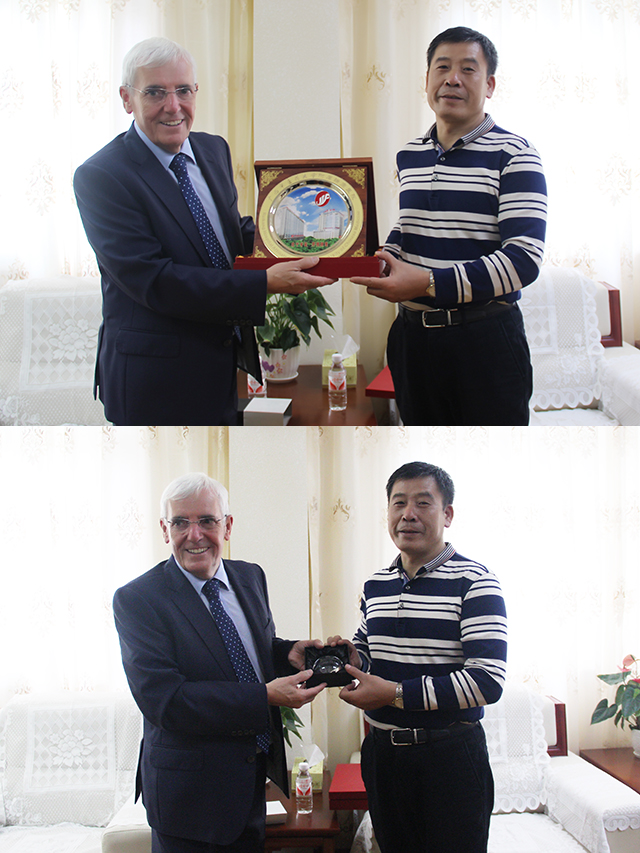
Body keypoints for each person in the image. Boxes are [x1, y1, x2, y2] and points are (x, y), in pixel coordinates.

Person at [74, 37, 334, 426]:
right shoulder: (102, 176)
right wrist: (265, 283)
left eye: (183, 90)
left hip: (220, 367)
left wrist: (313, 241)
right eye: (155, 92)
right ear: (127, 99)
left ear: (196, 92)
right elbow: (155, 281)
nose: (173, 105)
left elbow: (229, 233)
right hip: (154, 382)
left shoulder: (213, 149)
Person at [113, 472, 326, 853]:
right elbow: (165, 701)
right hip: (189, 804)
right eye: (180, 522)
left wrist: (286, 653)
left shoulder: (250, 576)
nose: (194, 535)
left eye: (207, 521)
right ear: (164, 530)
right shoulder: (138, 600)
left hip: (250, 786)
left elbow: (244, 651)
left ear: (227, 526)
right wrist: (264, 696)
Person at [351, 27, 547, 426]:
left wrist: (427, 283)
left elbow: (523, 260)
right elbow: (409, 226)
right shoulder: (410, 155)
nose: (452, 79)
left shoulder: (515, 154)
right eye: (442, 67)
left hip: (485, 342)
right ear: (427, 79)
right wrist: (382, 256)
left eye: (468, 69)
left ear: (489, 85)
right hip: (411, 339)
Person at [329, 461, 507, 853]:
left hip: (450, 757)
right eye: (398, 503)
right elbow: (368, 653)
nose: (408, 514)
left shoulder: (476, 582)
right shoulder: (376, 584)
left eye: (423, 503)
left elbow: (487, 681)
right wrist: (349, 657)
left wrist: (393, 694)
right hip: (383, 756)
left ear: (447, 514)